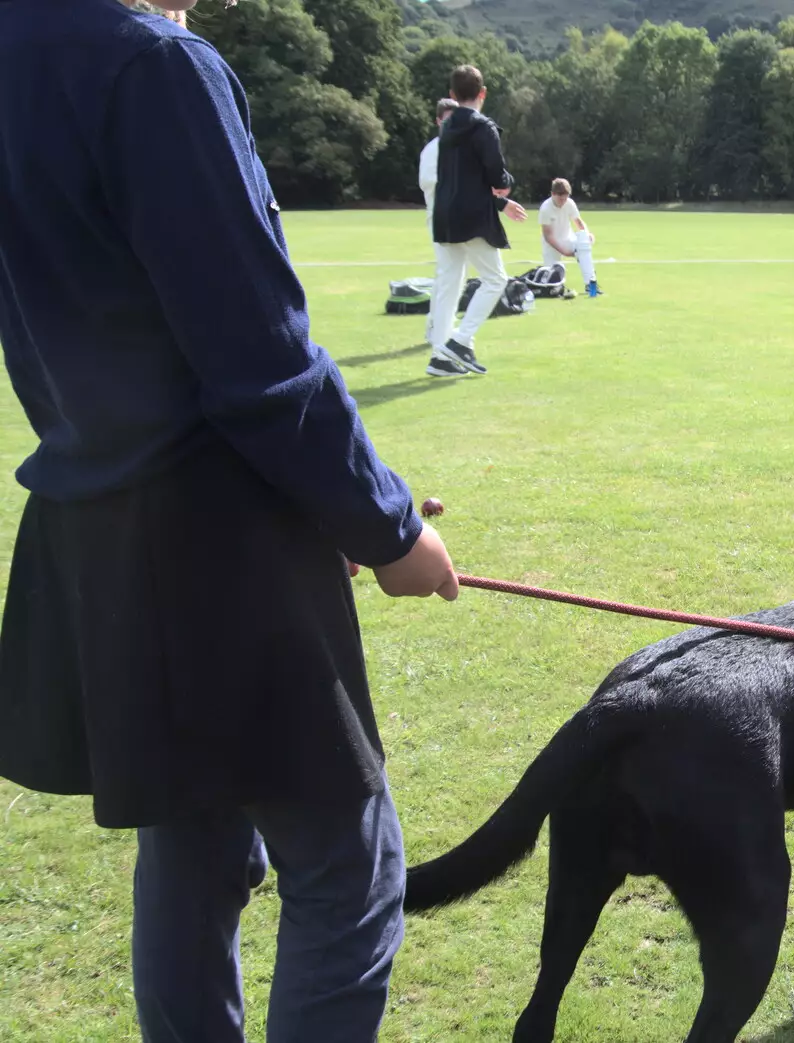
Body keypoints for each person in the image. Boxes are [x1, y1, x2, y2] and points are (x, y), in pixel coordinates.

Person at [0, 2, 460, 1040]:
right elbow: (259, 361)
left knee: (195, 846)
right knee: (348, 862)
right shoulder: (152, 66)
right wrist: (387, 529)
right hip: (215, 535)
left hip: (103, 528)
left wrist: (331, 506)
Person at [424, 64, 526, 380]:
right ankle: (459, 341)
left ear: (453, 96)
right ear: (482, 93)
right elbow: (495, 173)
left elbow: (459, 179)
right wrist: (505, 184)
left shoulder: (446, 131)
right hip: (472, 217)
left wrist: (499, 200)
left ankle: (440, 357)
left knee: (450, 284)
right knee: (495, 280)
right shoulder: (484, 128)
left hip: (444, 216)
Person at [418, 96, 459, 348]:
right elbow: (429, 183)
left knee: (447, 275)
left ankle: (437, 326)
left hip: (455, 220)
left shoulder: (456, 149)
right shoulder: (434, 149)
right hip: (441, 219)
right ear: (437, 121)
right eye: (446, 120)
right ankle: (440, 333)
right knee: (449, 276)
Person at [539, 177, 603, 298]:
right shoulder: (545, 208)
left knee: (583, 246)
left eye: (565, 198)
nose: (563, 201)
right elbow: (547, 236)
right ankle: (556, 287)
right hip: (551, 244)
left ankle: (591, 286)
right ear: (553, 194)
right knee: (551, 285)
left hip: (568, 238)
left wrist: (586, 235)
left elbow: (578, 222)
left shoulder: (570, 203)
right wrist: (564, 252)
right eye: (560, 198)